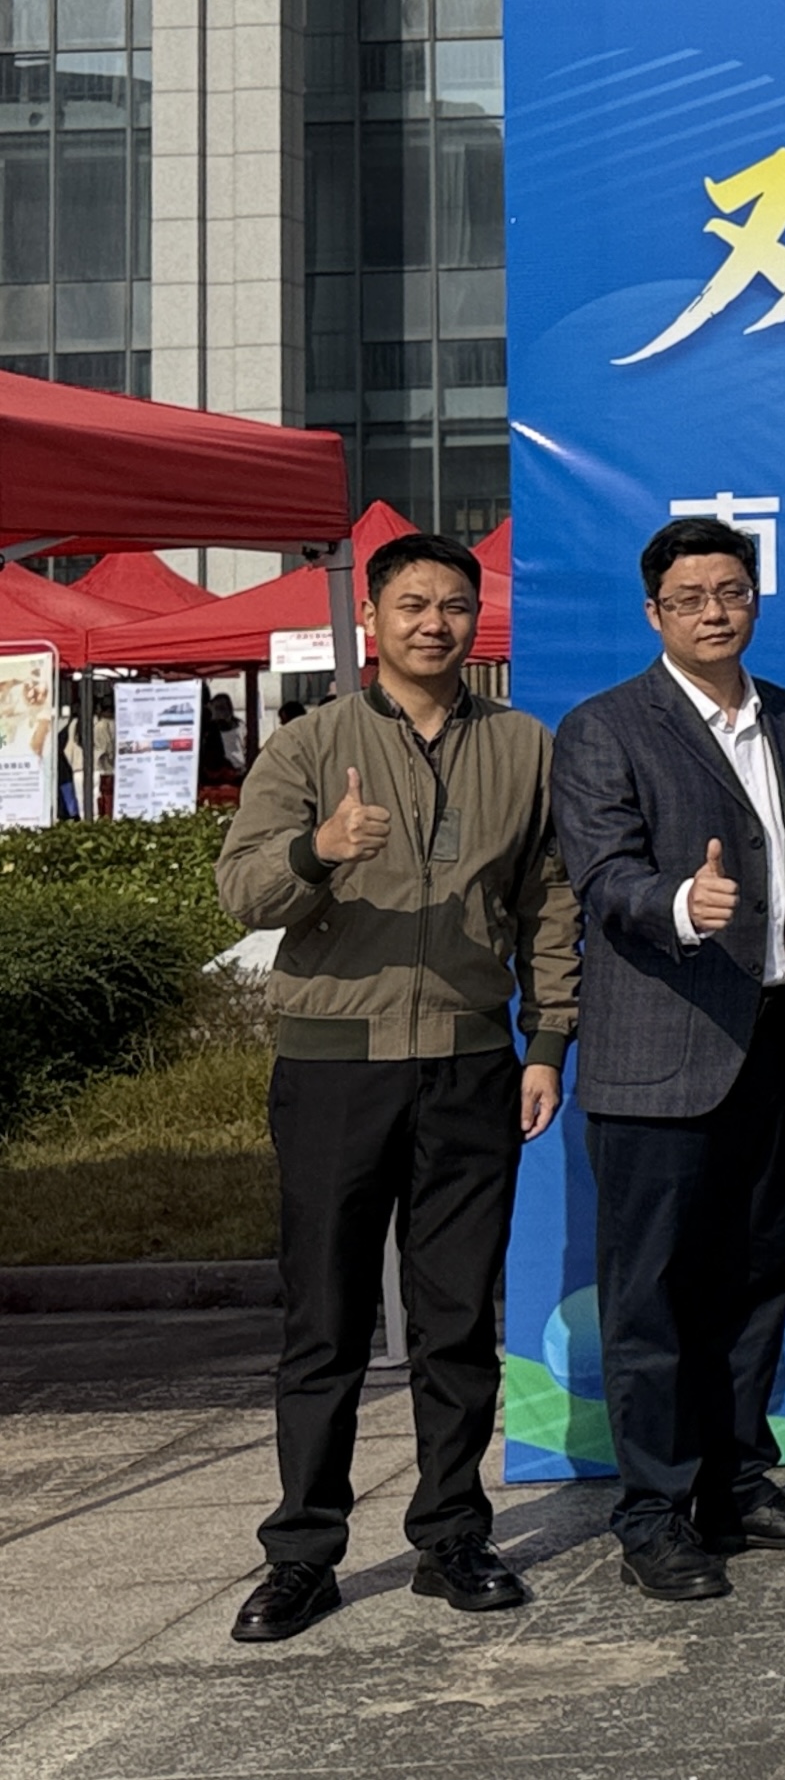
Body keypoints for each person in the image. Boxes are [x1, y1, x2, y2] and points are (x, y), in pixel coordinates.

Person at [215, 531, 580, 1643]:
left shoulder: (523, 745)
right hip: (334, 1066)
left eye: (455, 604)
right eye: (413, 604)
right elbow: (243, 890)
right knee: (324, 1317)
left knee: (456, 1315)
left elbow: (549, 900)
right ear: (371, 619)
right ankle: (302, 1553)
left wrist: (546, 1040)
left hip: (470, 1063)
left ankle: (453, 1533)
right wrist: (320, 850)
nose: (436, 623)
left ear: (477, 618)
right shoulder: (312, 741)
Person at [555, 517, 785, 1600]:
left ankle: (736, 1482)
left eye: (730, 591)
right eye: (689, 598)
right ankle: (652, 1513)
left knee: (753, 1281)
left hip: (776, 1042)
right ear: (654, 612)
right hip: (660, 1055)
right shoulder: (604, 727)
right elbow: (602, 875)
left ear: (756, 599)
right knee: (651, 1298)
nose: (713, 612)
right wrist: (684, 902)